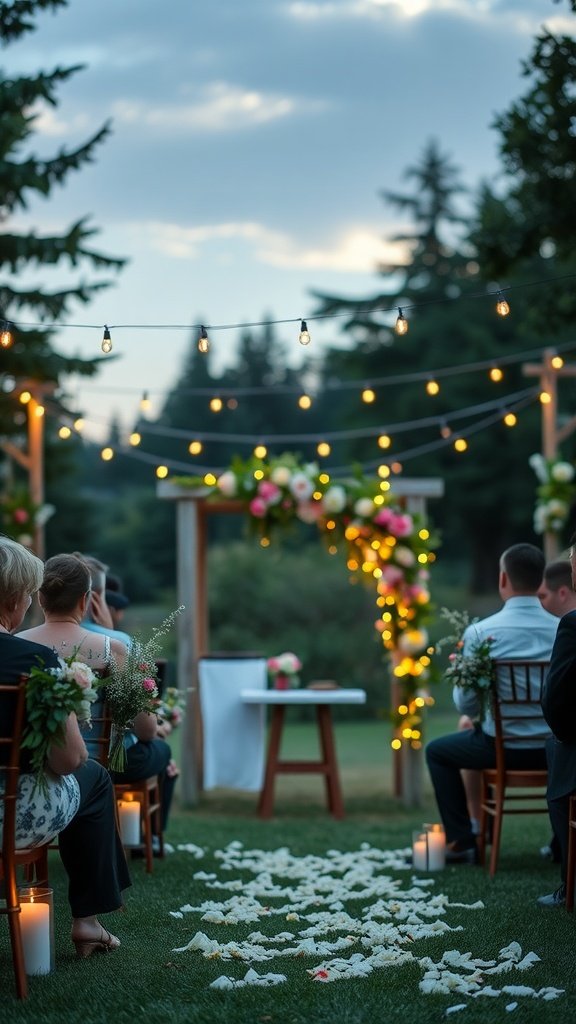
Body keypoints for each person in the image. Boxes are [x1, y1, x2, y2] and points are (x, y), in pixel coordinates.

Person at [0, 537, 130, 957]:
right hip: (10, 814)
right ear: (17, 598)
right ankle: (87, 923)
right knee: (91, 775)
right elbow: (70, 759)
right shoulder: (33, 660)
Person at [19, 552, 176, 838]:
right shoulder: (111, 649)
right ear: (85, 600)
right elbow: (146, 729)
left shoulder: (16, 646)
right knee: (160, 749)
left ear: (40, 598)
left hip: (31, 769)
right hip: (97, 769)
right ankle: (144, 837)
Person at [426, 543, 559, 863]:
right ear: (541, 580)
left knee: (437, 752)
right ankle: (560, 845)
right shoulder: (563, 630)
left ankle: (462, 840)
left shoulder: (481, 633)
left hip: (498, 748)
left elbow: (467, 707)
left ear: (503, 580)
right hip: (555, 753)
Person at [539, 542, 576, 908]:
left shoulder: (572, 624)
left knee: (558, 748)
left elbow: (557, 697)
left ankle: (572, 884)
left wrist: (563, 733)